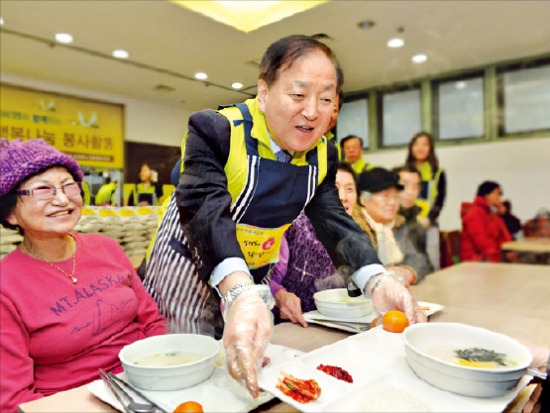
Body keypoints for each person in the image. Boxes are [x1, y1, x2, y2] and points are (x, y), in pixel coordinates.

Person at [142, 35, 426, 398]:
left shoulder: (324, 153)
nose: (312, 111)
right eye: (298, 95)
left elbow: (334, 221)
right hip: (189, 268)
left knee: (247, 373)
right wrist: (239, 293)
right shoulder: (216, 129)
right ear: (263, 92)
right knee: (187, 373)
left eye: (326, 99)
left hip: (254, 267)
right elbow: (204, 210)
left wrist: (377, 280)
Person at [0, 138, 168, 412]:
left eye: (69, 186)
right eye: (43, 190)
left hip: (148, 384)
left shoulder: (107, 247)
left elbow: (152, 320)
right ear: (10, 213)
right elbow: (13, 399)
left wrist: (163, 369)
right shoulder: (6, 285)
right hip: (74, 403)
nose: (63, 199)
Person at [269, 161, 357, 327]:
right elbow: (260, 280)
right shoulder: (291, 225)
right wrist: (279, 295)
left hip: (336, 326)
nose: (343, 196)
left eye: (350, 189)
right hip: (287, 328)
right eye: (334, 188)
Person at [354, 167, 432, 284]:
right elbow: (355, 271)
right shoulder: (354, 228)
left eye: (395, 196)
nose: (392, 202)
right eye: (385, 196)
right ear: (364, 199)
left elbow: (418, 259)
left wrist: (407, 272)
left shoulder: (397, 225)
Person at [393, 164, 434, 272]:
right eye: (404, 185)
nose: (411, 192)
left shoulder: (417, 226)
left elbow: (424, 263)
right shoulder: (381, 222)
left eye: (415, 187)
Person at [460, 181, 514, 262]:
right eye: (497, 193)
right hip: (477, 259)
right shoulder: (475, 214)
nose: (500, 197)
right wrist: (501, 253)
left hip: (490, 255)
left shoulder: (492, 213)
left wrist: (508, 249)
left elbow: (505, 236)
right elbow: (482, 242)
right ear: (487, 195)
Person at [405, 131, 446, 226]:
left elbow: (439, 201)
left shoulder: (438, 172)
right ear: (411, 148)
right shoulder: (404, 172)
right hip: (406, 223)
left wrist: (428, 219)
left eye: (424, 144)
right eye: (416, 144)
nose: (420, 148)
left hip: (429, 223)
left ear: (430, 149)